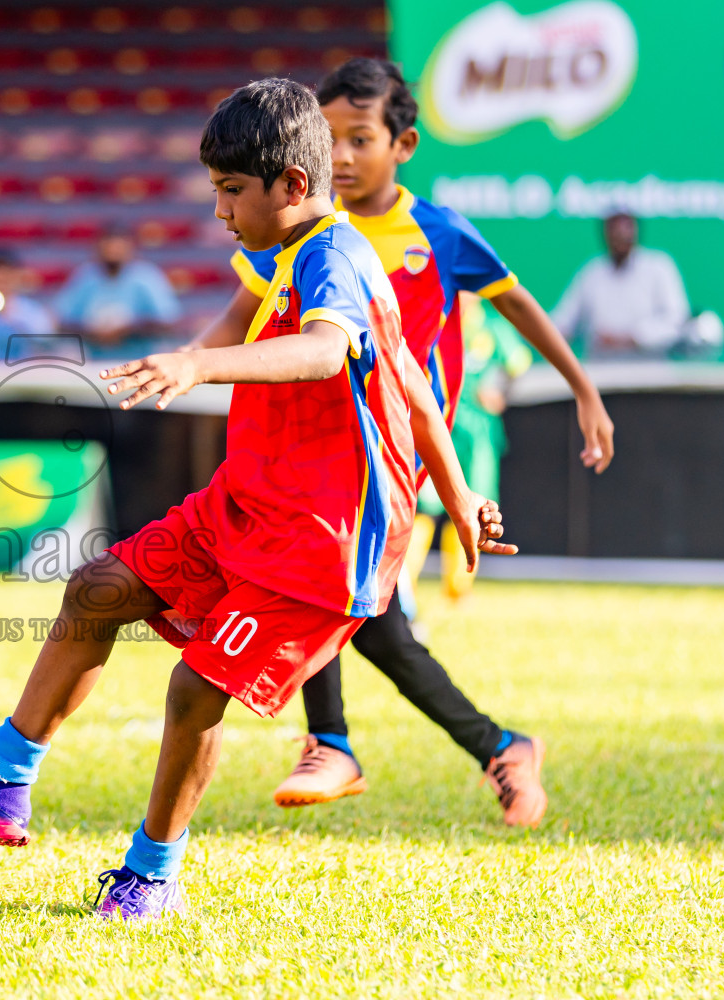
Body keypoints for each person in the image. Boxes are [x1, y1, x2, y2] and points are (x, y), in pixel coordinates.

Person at [0, 79, 513, 919]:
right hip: (247, 504)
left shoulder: (334, 259)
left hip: (318, 545)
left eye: (232, 192)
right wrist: (459, 498)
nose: (220, 211)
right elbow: (414, 387)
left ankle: (151, 873)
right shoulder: (289, 255)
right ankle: (3, 780)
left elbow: (321, 355)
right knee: (97, 590)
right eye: (215, 191)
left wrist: (197, 365)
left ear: (292, 188)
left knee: (195, 688)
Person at [197, 58, 616, 826]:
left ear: (404, 144)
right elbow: (240, 316)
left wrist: (585, 390)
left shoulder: (438, 233)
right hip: (317, 451)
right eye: (330, 138)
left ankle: (337, 741)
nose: (344, 156)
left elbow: (519, 305)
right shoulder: (297, 232)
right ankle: (490, 746)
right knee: (368, 620)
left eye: (361, 138)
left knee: (327, 587)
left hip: (393, 452)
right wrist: (188, 368)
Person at [412, 293, 533, 601]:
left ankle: (457, 590)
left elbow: (518, 363)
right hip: (439, 427)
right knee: (423, 506)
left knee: (473, 508)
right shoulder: (434, 323)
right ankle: (403, 589)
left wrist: (501, 392)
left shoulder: (492, 329)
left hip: (478, 433)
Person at [553, 211, 692, 357]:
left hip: (651, 372)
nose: (619, 236)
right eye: (614, 230)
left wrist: (631, 338)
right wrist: (556, 334)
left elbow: (677, 321)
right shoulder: (592, 272)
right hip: (600, 371)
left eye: (625, 229)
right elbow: (564, 319)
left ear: (636, 232)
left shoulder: (659, 267)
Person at [52, 225, 181, 358]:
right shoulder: (85, 276)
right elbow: (61, 322)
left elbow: (168, 321)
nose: (113, 252)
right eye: (108, 247)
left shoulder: (146, 277)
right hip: (94, 365)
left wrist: (127, 329)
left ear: (130, 248)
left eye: (118, 248)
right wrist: (93, 332)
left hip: (138, 362)